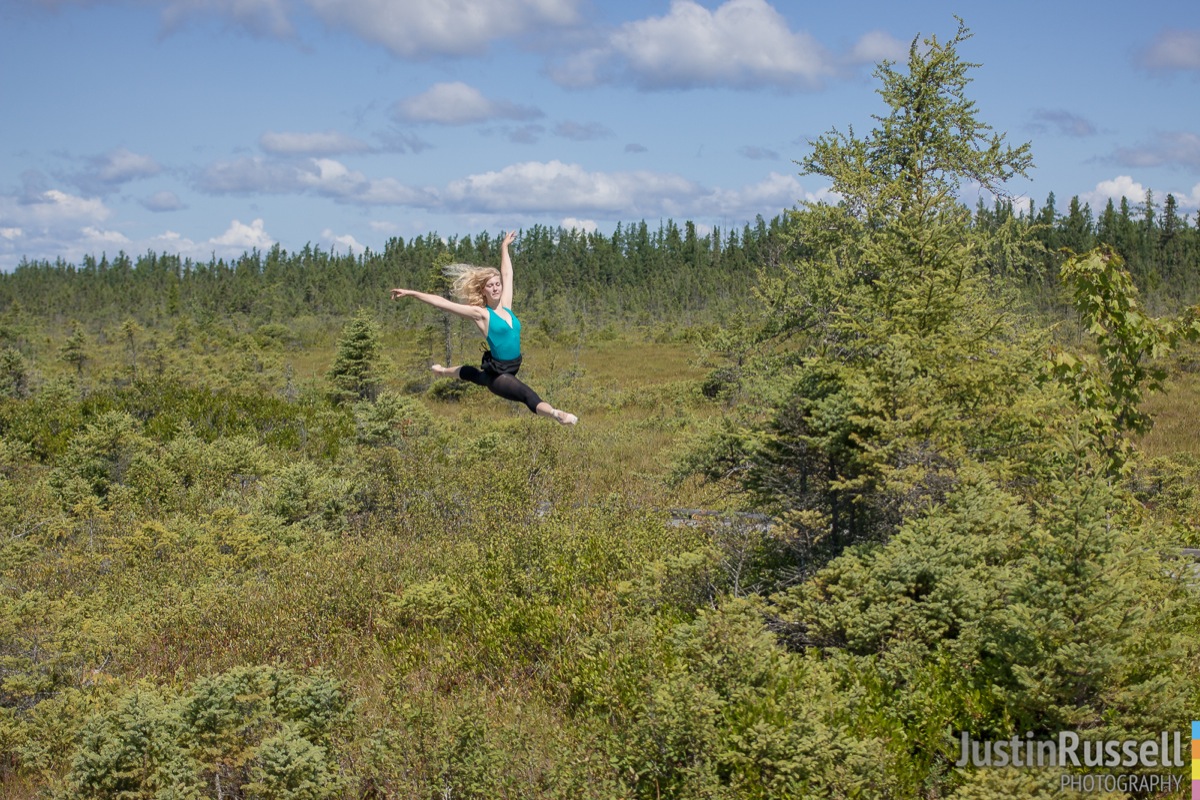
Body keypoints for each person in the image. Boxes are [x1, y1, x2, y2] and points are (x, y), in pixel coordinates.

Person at [390, 230, 578, 425]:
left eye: (497, 284)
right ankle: (557, 415)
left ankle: (441, 371)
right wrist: (411, 292)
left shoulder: (506, 305)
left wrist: (504, 247)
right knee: (526, 395)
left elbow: (507, 273)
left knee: (475, 375)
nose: (496, 288)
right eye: (490, 285)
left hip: (509, 366)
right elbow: (442, 303)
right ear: (483, 290)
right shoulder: (482, 314)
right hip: (500, 376)